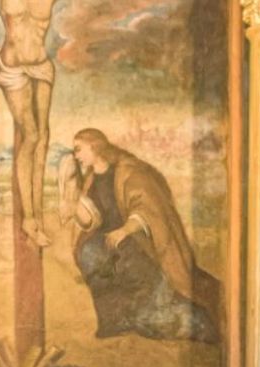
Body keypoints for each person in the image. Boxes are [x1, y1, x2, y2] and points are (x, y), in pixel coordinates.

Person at [57, 129, 220, 343]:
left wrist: (124, 230)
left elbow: (148, 209)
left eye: (79, 149)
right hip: (108, 242)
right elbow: (92, 220)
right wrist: (70, 202)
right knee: (90, 253)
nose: (76, 155)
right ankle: (115, 321)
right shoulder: (90, 179)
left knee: (154, 312)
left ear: (94, 147)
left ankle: (193, 322)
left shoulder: (129, 171)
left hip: (138, 241)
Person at [0, 0, 57, 248]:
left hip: (41, 66)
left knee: (43, 137)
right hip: (12, 68)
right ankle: (29, 219)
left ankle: (38, 212)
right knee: (30, 136)